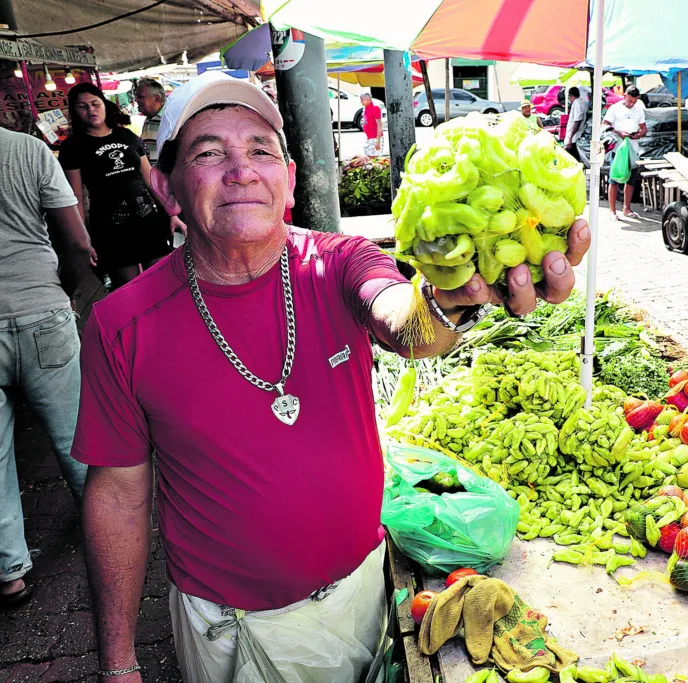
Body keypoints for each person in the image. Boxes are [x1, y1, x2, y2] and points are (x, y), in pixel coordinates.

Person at [72, 71, 590, 683]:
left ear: (288, 178)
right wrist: (118, 663)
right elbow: (119, 496)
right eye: (209, 153)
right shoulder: (122, 324)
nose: (242, 170)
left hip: (363, 596)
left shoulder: (336, 263)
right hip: (232, 631)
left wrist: (454, 301)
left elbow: (404, 321)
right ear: (166, 186)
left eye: (262, 150)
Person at [0, 127, 95, 609]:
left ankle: (9, 572)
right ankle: (107, 530)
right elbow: (76, 240)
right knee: (75, 432)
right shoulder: (27, 150)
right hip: (41, 307)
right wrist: (69, 293)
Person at [60, 83, 181, 289]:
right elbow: (76, 196)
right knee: (128, 288)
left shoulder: (127, 137)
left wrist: (172, 213)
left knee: (163, 281)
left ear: (104, 104)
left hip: (148, 220)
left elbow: (150, 179)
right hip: (111, 227)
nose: (90, 110)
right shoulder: (72, 147)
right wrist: (83, 239)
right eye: (82, 106)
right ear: (75, 111)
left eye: (94, 103)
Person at [603, 85, 647, 221]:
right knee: (614, 178)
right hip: (618, 147)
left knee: (631, 179)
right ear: (624, 96)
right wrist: (619, 132)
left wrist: (638, 134)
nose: (631, 104)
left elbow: (644, 129)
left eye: (634, 101)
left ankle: (626, 208)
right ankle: (612, 210)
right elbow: (604, 126)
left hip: (633, 148)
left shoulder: (639, 110)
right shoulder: (614, 108)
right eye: (629, 101)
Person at [135, 78, 166, 165]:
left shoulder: (168, 118)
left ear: (156, 99)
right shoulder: (149, 118)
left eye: (140, 97)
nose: (136, 100)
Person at [564, 86, 586, 161]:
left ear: (571, 96)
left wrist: (570, 137)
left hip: (574, 138)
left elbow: (577, 121)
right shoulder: (581, 102)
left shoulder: (577, 103)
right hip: (574, 137)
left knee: (573, 160)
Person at [360, 93, 382, 157]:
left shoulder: (375, 108)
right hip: (370, 137)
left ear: (368, 100)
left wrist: (378, 141)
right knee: (367, 153)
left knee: (373, 156)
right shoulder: (365, 109)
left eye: (362, 100)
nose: (361, 102)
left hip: (375, 137)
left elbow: (379, 124)